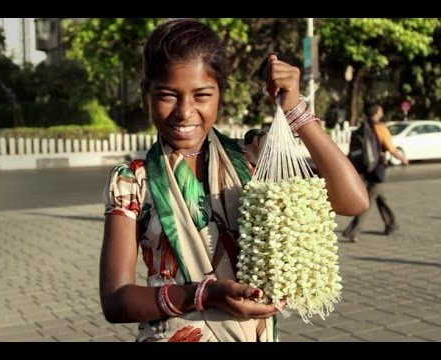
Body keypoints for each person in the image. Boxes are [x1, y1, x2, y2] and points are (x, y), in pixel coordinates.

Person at [100, 18, 369, 342]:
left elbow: (353, 202)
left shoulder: (252, 157)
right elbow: (115, 301)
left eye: (202, 95)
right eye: (168, 95)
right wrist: (205, 295)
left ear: (220, 96)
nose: (185, 111)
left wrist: (296, 108)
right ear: (146, 94)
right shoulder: (133, 181)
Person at [342, 104, 409, 243]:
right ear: (377, 112)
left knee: (380, 197)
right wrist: (402, 158)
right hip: (377, 168)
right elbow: (391, 148)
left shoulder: (361, 128)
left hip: (365, 167)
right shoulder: (381, 128)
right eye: (381, 110)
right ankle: (352, 231)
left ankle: (391, 224)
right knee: (369, 199)